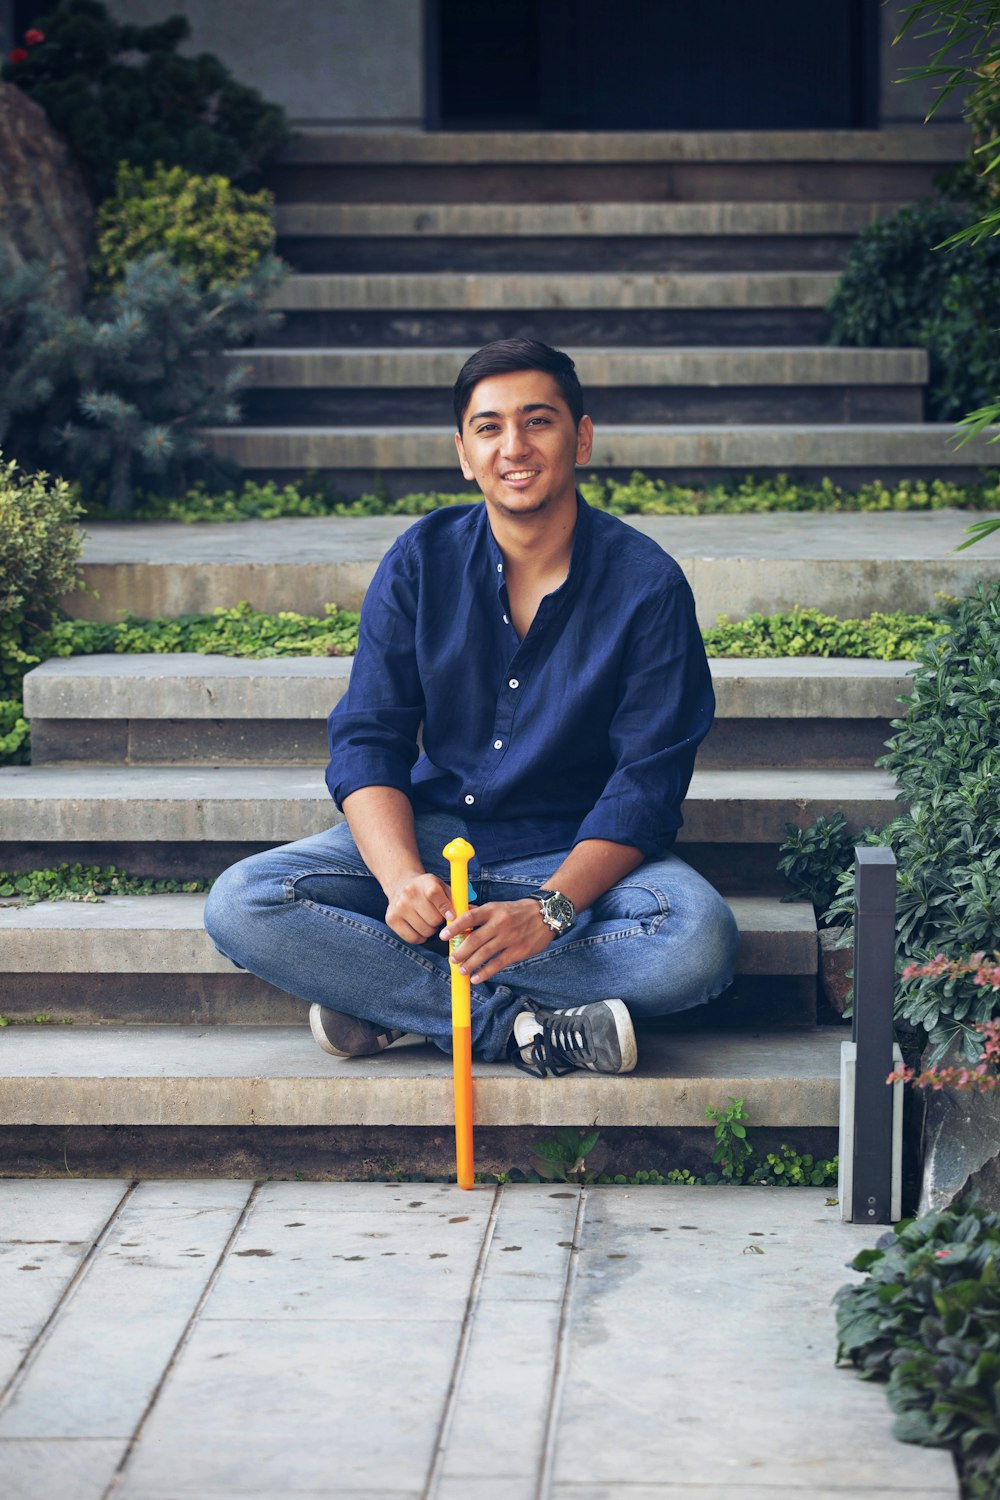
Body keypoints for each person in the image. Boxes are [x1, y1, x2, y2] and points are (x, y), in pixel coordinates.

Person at [204, 338, 738, 1079]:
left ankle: (390, 998)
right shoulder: (421, 559)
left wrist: (548, 913)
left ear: (580, 436)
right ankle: (515, 1028)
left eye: (538, 421)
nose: (513, 447)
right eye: (489, 428)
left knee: (696, 940)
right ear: (464, 452)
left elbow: (646, 788)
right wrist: (399, 883)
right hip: (434, 841)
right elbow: (368, 738)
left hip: (572, 852)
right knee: (244, 901)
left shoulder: (647, 587)